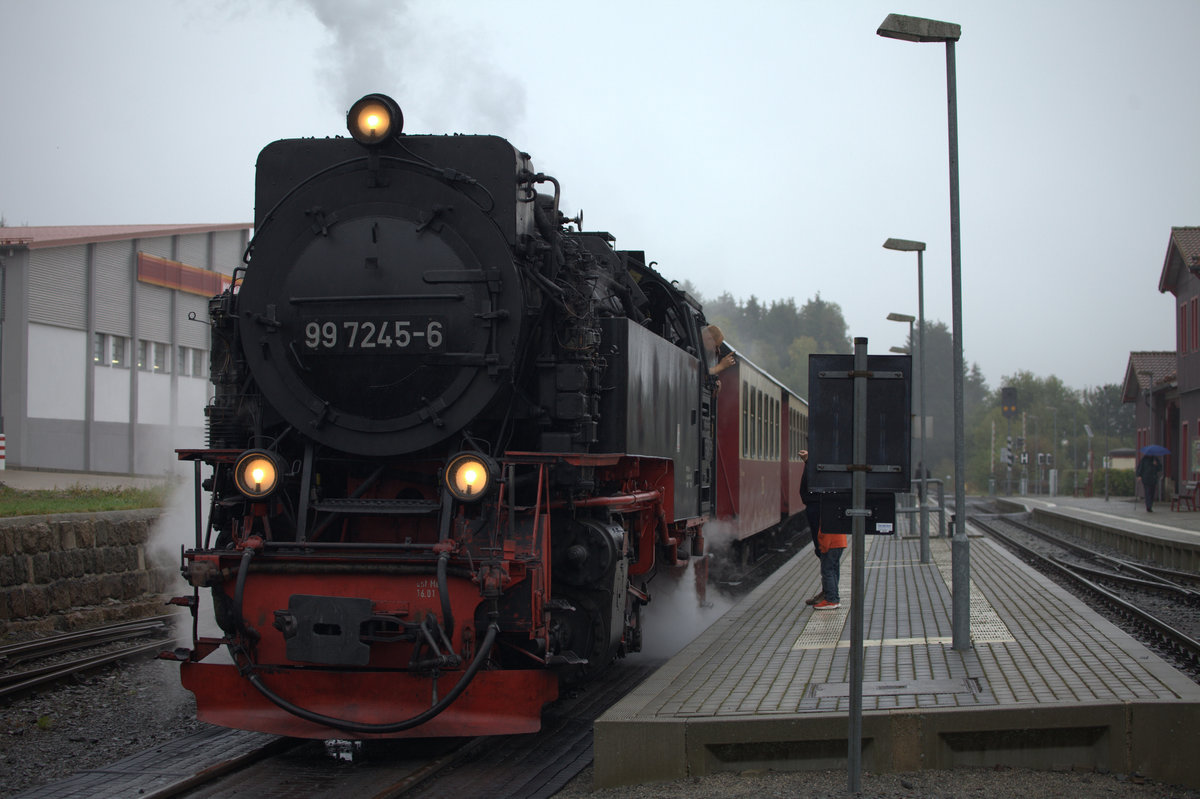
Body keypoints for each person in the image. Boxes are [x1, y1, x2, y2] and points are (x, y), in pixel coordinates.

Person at [798, 450, 846, 609]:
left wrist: (808, 462)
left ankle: (831, 598)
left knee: (828, 567)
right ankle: (829, 593)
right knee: (831, 566)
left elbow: (823, 538)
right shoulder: (830, 501)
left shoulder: (822, 503)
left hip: (830, 542)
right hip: (836, 542)